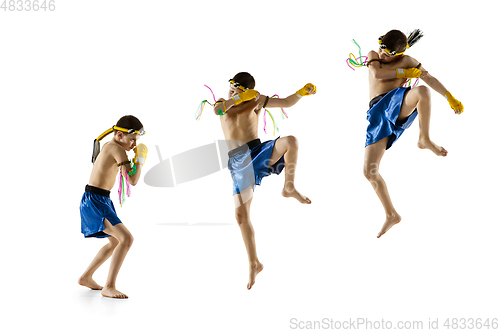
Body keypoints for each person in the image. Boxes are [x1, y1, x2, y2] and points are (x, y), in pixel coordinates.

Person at [213, 72, 315, 289]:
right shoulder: (224, 103)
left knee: (291, 141)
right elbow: (219, 110)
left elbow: (287, 102)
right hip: (239, 163)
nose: (232, 92)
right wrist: (236, 98)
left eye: (237, 89)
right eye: (231, 88)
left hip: (258, 151)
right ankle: (254, 262)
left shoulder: (256, 101)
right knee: (241, 216)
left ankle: (289, 186)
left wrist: (301, 93)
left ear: (247, 91)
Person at [363, 29, 464, 238]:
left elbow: (430, 79)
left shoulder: (408, 60)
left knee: (422, 91)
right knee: (369, 171)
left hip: (398, 103)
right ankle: (391, 214)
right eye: (382, 48)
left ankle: (424, 138)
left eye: (389, 54)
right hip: (378, 113)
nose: (383, 55)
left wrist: (449, 97)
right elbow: (377, 73)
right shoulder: (374, 55)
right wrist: (404, 74)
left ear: (400, 53)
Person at [78, 115, 148, 299]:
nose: (134, 144)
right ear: (119, 135)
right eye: (132, 139)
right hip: (95, 200)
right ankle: (109, 286)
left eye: (136, 141)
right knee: (126, 239)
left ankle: (86, 277)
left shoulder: (111, 147)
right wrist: (140, 159)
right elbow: (132, 180)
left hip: (100, 199)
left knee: (116, 241)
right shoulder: (117, 149)